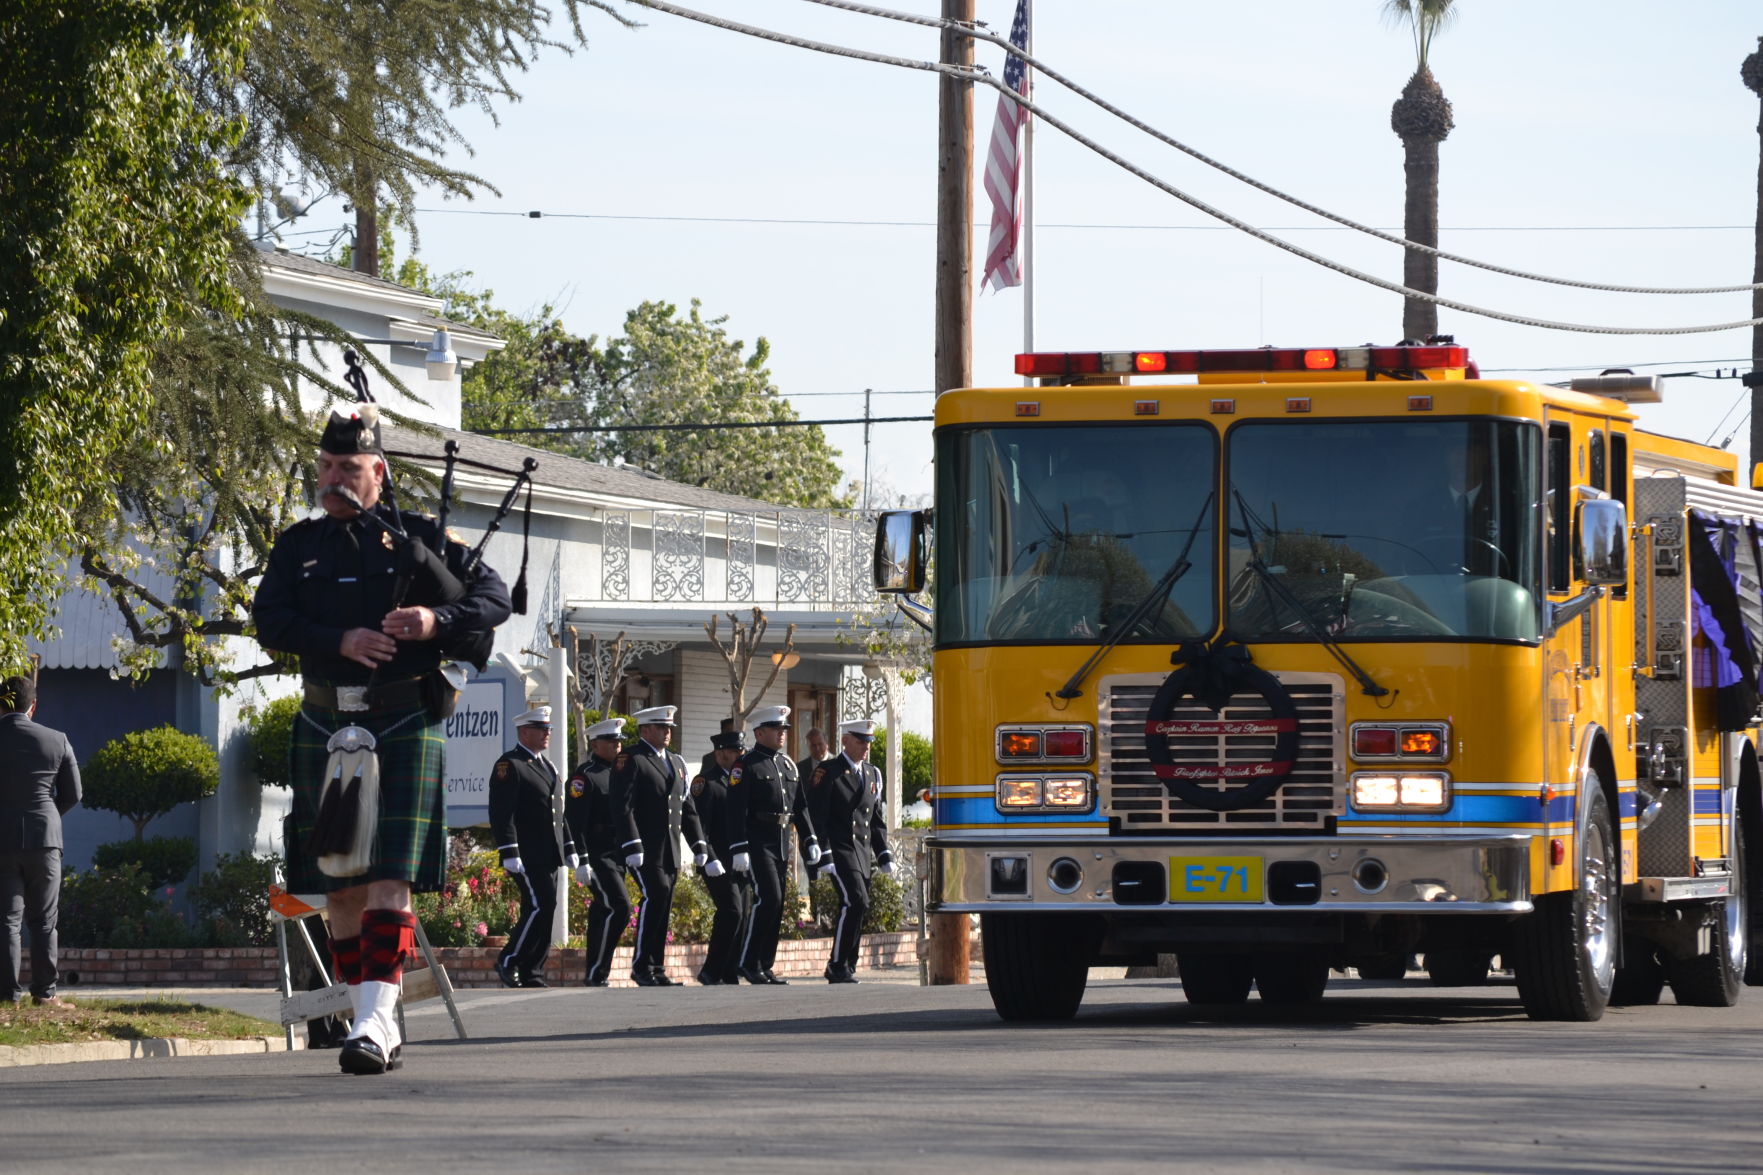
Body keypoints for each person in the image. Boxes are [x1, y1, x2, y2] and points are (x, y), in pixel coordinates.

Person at [252, 404, 511, 1076]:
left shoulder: (419, 537)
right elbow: (269, 621)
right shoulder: (296, 546)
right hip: (324, 719)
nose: (335, 478)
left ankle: (372, 1019)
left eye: (349, 468)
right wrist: (337, 639)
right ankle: (373, 1010)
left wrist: (433, 618)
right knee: (338, 886)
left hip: (402, 719)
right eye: (327, 466)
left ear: (378, 472)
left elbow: (493, 599)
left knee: (388, 877)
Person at [615, 705, 718, 986]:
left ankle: (656, 967)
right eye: (662, 728)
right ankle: (641, 966)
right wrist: (632, 844)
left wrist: (699, 845)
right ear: (645, 730)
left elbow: (686, 808)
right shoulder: (632, 759)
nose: (668, 732)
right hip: (645, 848)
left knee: (664, 902)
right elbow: (623, 806)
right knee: (655, 895)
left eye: (669, 728)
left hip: (669, 849)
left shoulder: (675, 762)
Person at [0, 675, 81, 1008]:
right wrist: (48, 817)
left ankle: (7, 995)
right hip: (45, 840)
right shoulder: (57, 740)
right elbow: (74, 793)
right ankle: (45, 994)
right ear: (32, 706)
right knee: (44, 920)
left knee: (6, 920)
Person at [728, 705, 821, 985]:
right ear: (759, 732)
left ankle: (764, 964)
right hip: (757, 842)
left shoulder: (788, 764)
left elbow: (800, 807)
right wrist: (738, 847)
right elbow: (735, 810)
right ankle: (747, 961)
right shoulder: (745, 765)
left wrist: (811, 839)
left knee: (778, 904)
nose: (782, 734)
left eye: (784, 729)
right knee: (768, 898)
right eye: (776, 729)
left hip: (781, 842)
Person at [489, 706, 577, 989]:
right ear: (525, 732)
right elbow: (502, 813)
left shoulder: (547, 766)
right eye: (542, 730)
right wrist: (509, 851)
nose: (547, 734)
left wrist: (570, 846)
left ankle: (532, 971)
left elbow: (557, 814)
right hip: (526, 854)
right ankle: (509, 959)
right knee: (542, 903)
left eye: (549, 729)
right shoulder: (510, 765)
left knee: (544, 907)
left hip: (549, 853)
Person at [806, 719, 895, 984]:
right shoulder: (828, 771)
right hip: (840, 849)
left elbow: (875, 819)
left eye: (868, 742)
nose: (865, 747)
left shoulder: (871, 773)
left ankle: (848, 963)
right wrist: (824, 853)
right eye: (860, 741)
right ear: (845, 741)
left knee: (859, 905)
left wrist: (884, 853)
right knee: (856, 900)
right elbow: (818, 816)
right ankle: (836, 965)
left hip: (862, 851)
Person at [564, 716, 637, 986]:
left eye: (619, 740)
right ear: (596, 745)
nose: (617, 745)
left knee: (601, 912)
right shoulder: (586, 776)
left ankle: (594, 972)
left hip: (617, 855)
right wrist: (581, 859)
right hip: (597, 856)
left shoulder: (620, 773)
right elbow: (574, 821)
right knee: (619, 906)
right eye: (611, 740)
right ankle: (598, 970)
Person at [689, 730, 751, 985]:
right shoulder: (707, 783)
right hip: (717, 862)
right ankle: (710, 971)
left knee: (743, 913)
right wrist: (708, 856)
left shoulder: (740, 780)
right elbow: (699, 826)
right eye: (734, 751)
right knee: (731, 910)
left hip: (740, 861)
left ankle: (729, 970)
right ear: (720, 754)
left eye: (741, 751)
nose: (739, 755)